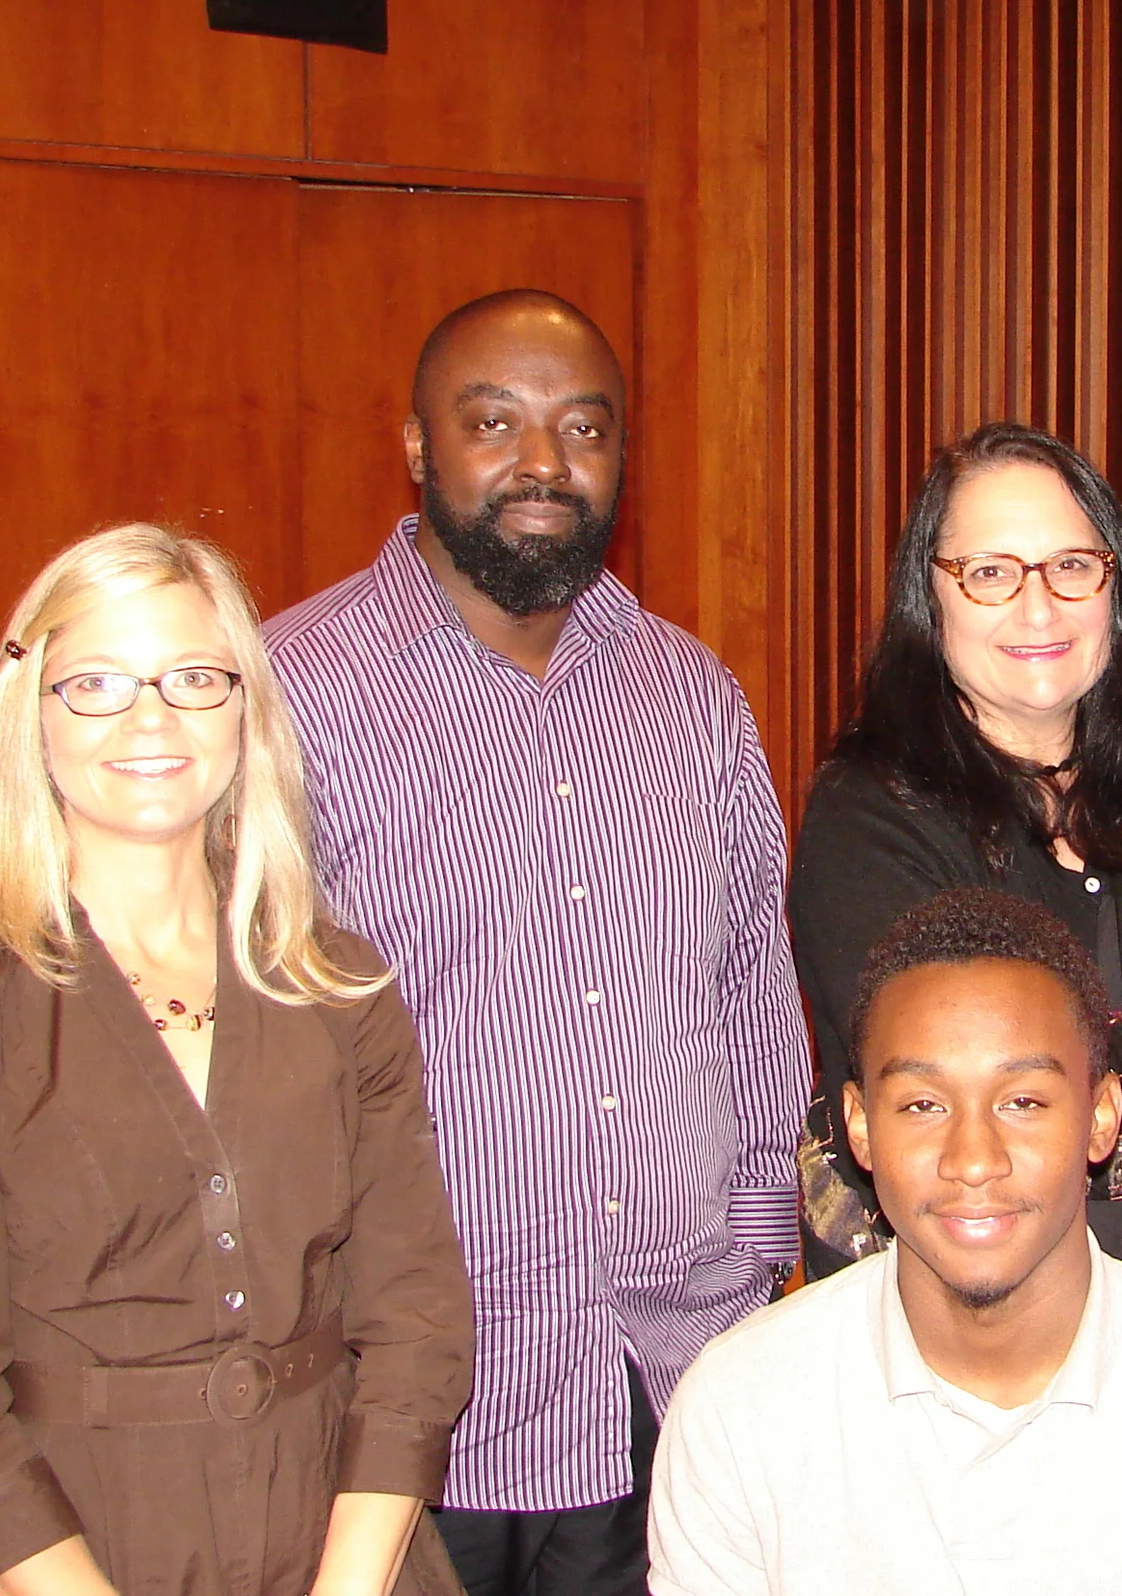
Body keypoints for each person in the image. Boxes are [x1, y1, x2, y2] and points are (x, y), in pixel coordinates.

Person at [265, 289, 811, 1596]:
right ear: (415, 445)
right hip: (414, 1407)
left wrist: (749, 1255)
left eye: (584, 426)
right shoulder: (297, 694)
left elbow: (753, 992)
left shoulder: (693, 694)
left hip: (665, 1372)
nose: (544, 463)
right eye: (493, 420)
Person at [0, 524, 473, 1596]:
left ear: (244, 710)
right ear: (31, 716)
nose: (151, 718)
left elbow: (413, 1321)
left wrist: (348, 1587)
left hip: (342, 1548)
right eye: (96, 682)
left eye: (192, 676)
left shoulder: (337, 983)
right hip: (74, 1552)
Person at [648, 886, 1122, 1596]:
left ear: (1100, 1118)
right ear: (860, 1127)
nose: (974, 1158)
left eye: (1023, 1101)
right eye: (923, 1104)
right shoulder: (741, 1407)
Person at [790, 421, 1122, 1276]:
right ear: (932, 595)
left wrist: (1103, 1057)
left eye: (1072, 566)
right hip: (942, 1310)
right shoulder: (868, 810)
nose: (1039, 608)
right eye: (990, 572)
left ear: (1116, 585)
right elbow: (965, 1101)